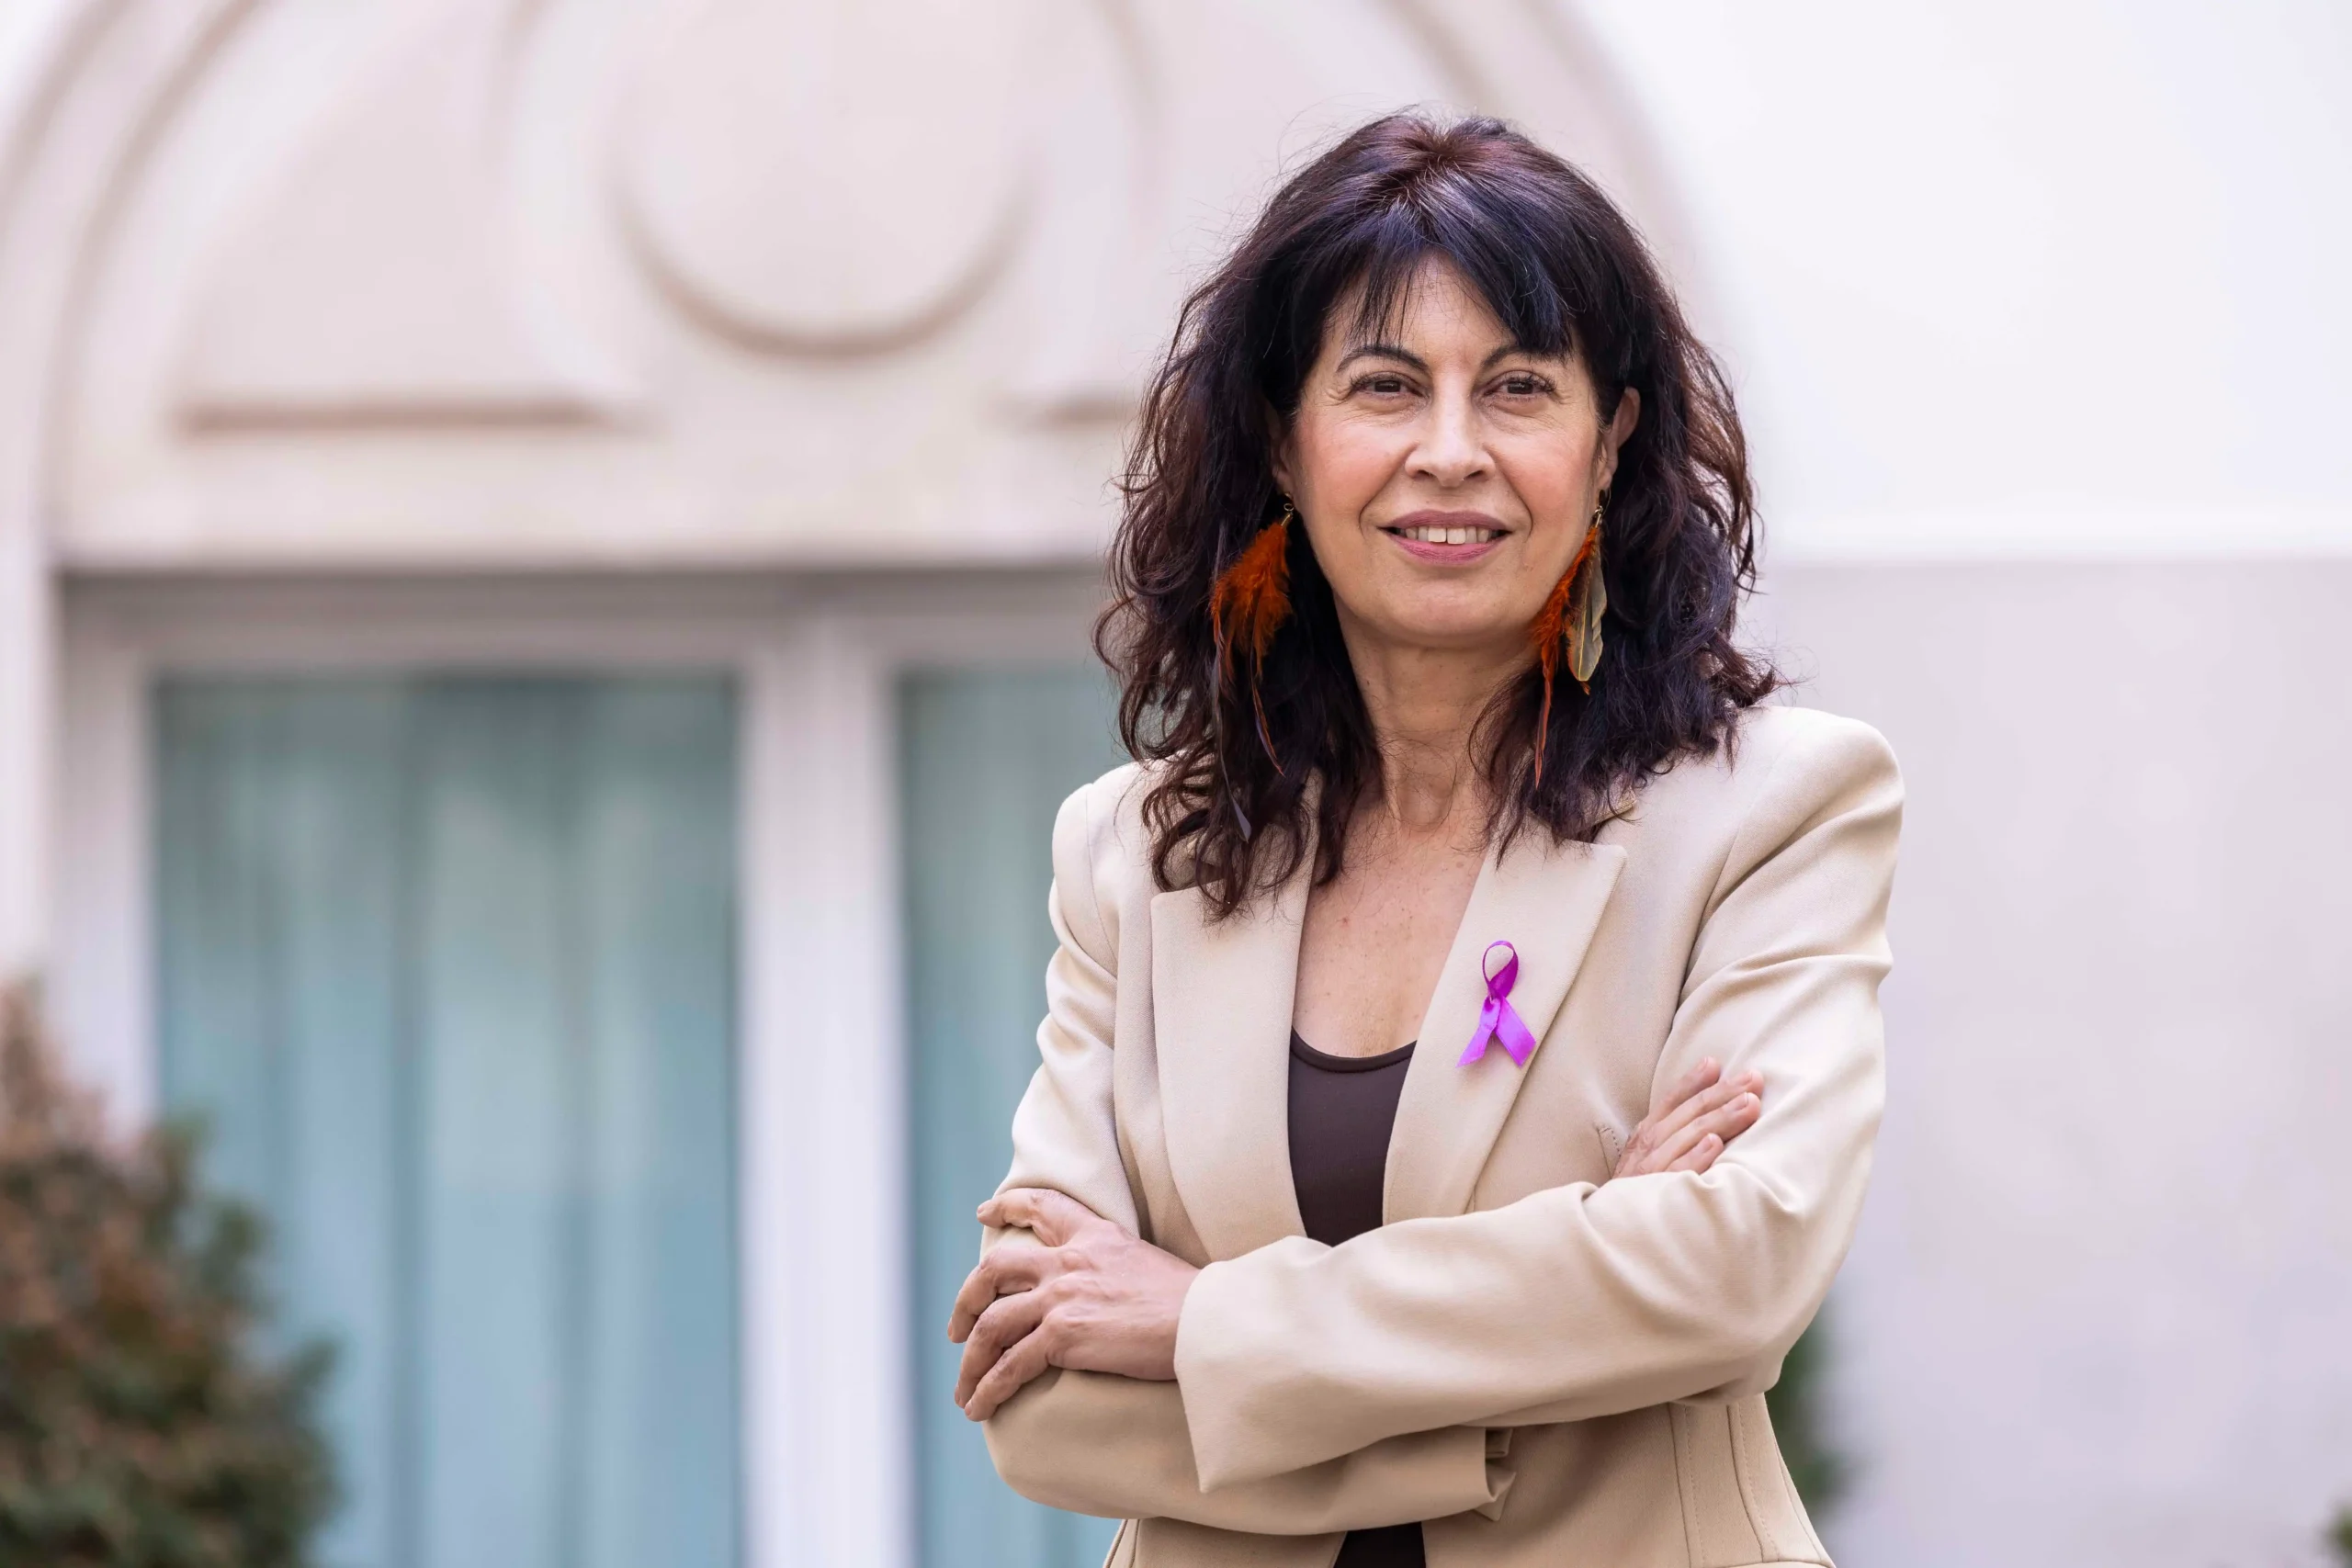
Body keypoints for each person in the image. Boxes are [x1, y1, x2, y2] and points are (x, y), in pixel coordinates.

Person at [946, 113, 1901, 1568]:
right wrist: (1559, 1330)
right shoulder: (1135, 857)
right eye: (1386, 386)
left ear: (1609, 441)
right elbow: (1045, 1399)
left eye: (1517, 388)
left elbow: (1735, 1264)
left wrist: (1199, 1320)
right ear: (1284, 439)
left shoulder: (1772, 812)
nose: (1450, 452)